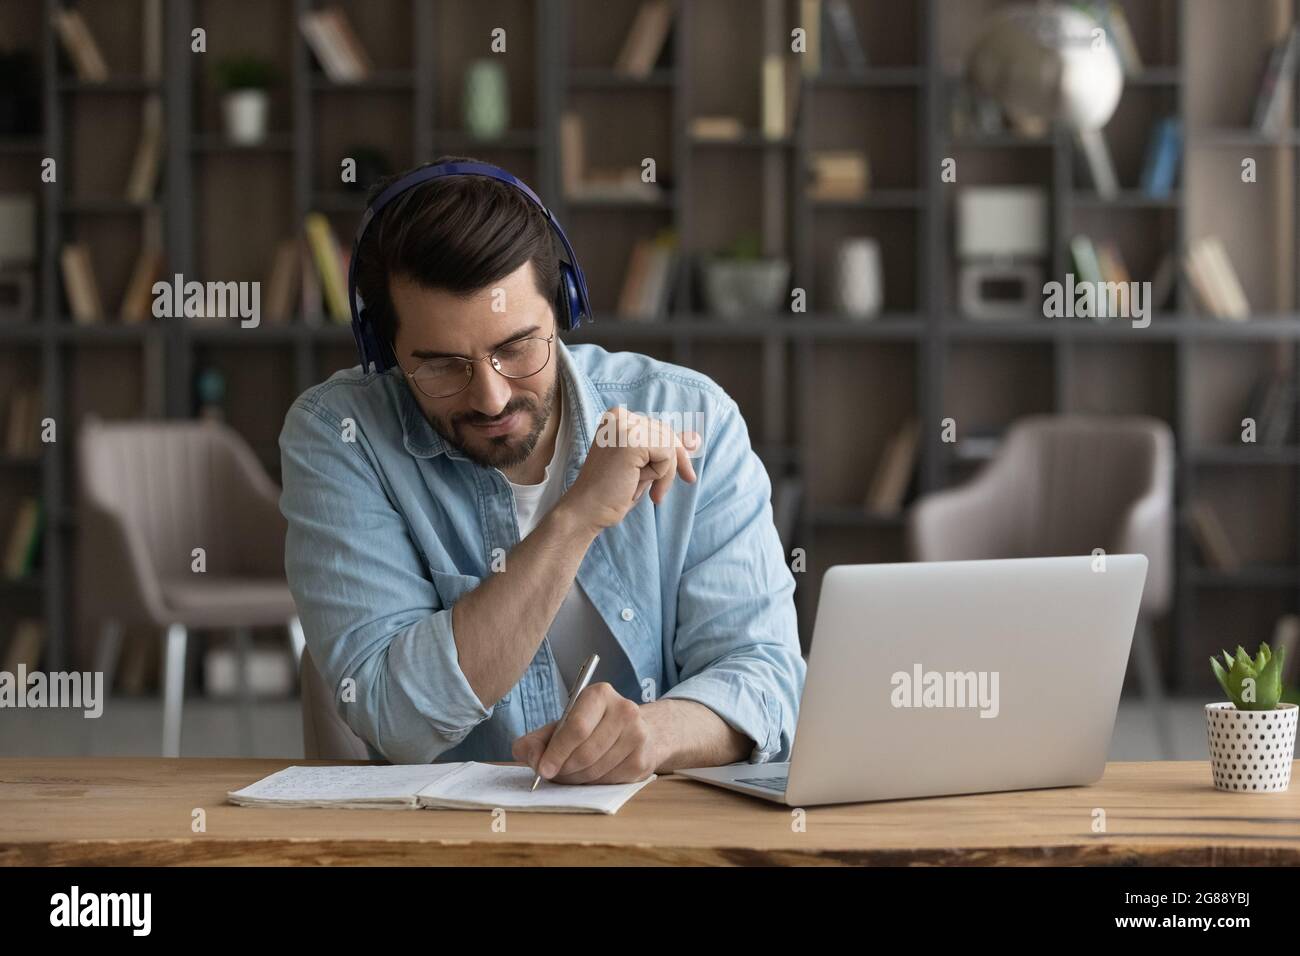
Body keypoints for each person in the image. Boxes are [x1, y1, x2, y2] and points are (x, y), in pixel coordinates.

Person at [279, 157, 805, 784]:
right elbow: (395, 713)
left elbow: (767, 680)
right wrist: (576, 518)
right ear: (385, 350)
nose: (490, 398)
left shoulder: (694, 416)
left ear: (565, 307)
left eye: (515, 347)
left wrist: (654, 735)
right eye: (442, 365)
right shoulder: (342, 437)